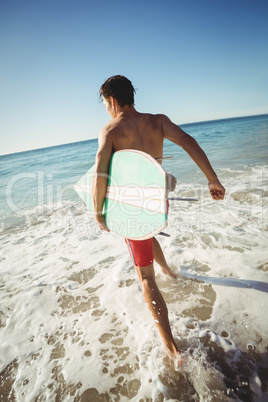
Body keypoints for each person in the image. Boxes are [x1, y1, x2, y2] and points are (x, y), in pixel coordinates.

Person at [92, 75, 225, 364]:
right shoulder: (158, 120)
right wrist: (212, 179)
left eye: (104, 103)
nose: (106, 108)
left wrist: (98, 212)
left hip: (133, 209)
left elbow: (100, 172)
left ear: (112, 100)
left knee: (144, 278)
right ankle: (169, 271)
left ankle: (174, 352)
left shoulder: (110, 130)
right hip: (157, 203)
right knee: (148, 234)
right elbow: (188, 141)